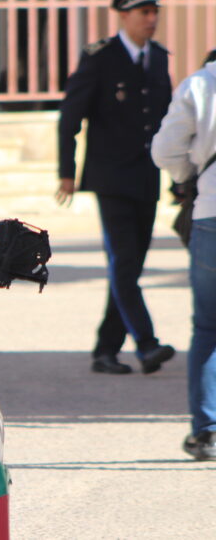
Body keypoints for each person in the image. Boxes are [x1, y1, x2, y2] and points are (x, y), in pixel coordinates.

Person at [56, 0, 175, 375]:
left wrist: (178, 177)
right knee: (124, 262)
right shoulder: (100, 57)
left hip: (147, 178)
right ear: (124, 15)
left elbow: (168, 122)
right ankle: (146, 343)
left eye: (154, 11)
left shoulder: (159, 58)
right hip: (110, 178)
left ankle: (105, 350)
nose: (151, 18)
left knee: (130, 267)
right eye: (144, 11)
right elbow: (70, 118)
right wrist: (67, 172)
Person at [151, 49, 216, 460]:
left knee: (208, 328)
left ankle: (208, 431)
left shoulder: (199, 85)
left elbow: (164, 151)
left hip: (211, 214)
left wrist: (186, 174)